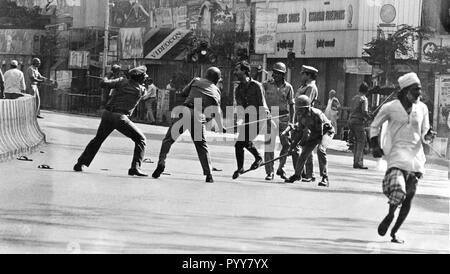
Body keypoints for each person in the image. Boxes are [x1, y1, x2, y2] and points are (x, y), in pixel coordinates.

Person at [370, 72, 435, 244]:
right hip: (397, 154)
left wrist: (429, 136)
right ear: (405, 90)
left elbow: (425, 134)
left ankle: (394, 232)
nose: (419, 94)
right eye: (416, 90)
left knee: (409, 197)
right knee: (399, 189)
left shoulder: (422, 108)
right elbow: (374, 126)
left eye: (420, 91)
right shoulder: (390, 107)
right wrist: (375, 145)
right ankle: (390, 214)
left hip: (416, 157)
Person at [151, 67, 224, 183]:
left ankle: (161, 162)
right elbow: (216, 110)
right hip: (199, 116)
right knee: (201, 146)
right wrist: (221, 126)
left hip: (186, 111)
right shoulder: (217, 90)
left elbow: (183, 93)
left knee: (168, 140)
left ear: (206, 75)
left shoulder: (196, 81)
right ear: (217, 79)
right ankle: (209, 174)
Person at [73, 66, 149, 177]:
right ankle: (135, 168)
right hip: (120, 117)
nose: (145, 79)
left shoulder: (121, 81)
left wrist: (111, 73)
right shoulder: (141, 90)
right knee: (141, 139)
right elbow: (145, 93)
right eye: (144, 77)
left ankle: (80, 163)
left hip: (107, 114)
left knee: (98, 139)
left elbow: (103, 83)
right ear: (140, 78)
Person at [285, 95, 334, 187]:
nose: (299, 111)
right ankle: (297, 175)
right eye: (298, 109)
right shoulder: (300, 116)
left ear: (307, 108)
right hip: (315, 133)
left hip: (326, 132)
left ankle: (325, 177)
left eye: (301, 109)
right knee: (304, 153)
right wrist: (292, 147)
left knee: (321, 150)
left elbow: (319, 135)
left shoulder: (316, 114)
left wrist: (306, 141)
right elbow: (299, 133)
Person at [232, 61, 270, 180]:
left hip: (259, 118)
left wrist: (265, 115)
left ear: (244, 71)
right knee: (240, 144)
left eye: (237, 69)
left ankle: (257, 159)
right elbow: (240, 108)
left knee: (242, 142)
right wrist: (238, 121)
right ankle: (242, 167)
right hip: (248, 119)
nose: (235, 72)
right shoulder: (238, 89)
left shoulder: (256, 85)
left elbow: (262, 103)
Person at [263, 62, 296, 181]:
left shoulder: (288, 87)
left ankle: (281, 168)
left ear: (283, 75)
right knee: (269, 144)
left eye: (278, 73)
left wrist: (291, 122)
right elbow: (261, 100)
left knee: (286, 144)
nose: (275, 75)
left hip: (284, 118)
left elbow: (292, 105)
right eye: (274, 72)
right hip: (270, 116)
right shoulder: (266, 85)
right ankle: (269, 171)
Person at [296, 65, 320, 182]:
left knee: (308, 147)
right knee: (303, 146)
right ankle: (304, 173)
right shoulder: (304, 86)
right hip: (301, 119)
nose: (301, 75)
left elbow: (307, 106)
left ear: (308, 75)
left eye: (303, 74)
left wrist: (305, 126)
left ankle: (310, 174)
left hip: (308, 121)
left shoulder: (311, 88)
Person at [348, 82, 371, 169]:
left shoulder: (354, 98)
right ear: (367, 90)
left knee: (356, 142)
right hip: (358, 122)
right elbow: (364, 111)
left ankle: (355, 161)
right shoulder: (364, 99)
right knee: (361, 142)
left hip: (351, 121)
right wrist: (369, 116)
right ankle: (358, 163)